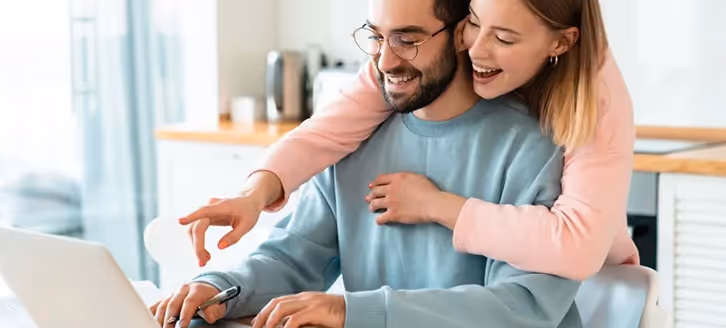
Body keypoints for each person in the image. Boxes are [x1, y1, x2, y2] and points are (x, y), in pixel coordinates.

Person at [152, 1, 583, 327]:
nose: (385, 61)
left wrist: (351, 310)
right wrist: (218, 288)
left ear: (462, 34)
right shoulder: (356, 136)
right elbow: (292, 258)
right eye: (377, 37)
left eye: (408, 39)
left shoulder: (533, 145)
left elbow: (522, 307)